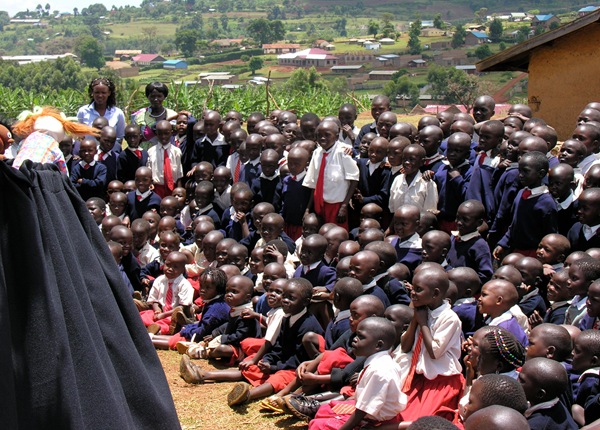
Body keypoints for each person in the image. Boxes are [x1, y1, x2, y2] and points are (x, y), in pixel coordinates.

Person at [308, 317, 406, 430]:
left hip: (376, 422)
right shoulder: (379, 362)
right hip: (368, 413)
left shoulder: (379, 371)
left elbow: (363, 410)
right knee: (325, 410)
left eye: (361, 337)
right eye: (356, 335)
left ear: (378, 345)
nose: (354, 339)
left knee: (319, 425)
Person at [398, 266, 463, 421]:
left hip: (440, 382)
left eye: (418, 290)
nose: (412, 293)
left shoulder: (449, 318)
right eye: (412, 288)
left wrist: (423, 323)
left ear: (435, 293)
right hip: (418, 378)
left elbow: (434, 352)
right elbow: (405, 347)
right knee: (396, 415)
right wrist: (415, 320)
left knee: (419, 421)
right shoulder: (421, 310)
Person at [494, 152, 558, 260]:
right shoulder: (521, 194)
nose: (520, 175)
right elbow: (514, 224)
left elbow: (551, 233)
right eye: (520, 171)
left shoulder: (547, 202)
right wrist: (503, 243)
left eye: (526, 171)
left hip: (534, 255)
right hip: (516, 250)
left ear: (541, 174)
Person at [303, 120, 359, 230]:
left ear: (337, 137)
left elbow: (354, 179)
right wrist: (308, 209)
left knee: (335, 235)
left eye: (327, 135)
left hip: (337, 206)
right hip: (319, 205)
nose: (322, 138)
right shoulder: (317, 153)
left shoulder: (343, 152)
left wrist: (344, 206)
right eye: (319, 135)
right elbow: (313, 183)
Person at [140, 251, 193, 335]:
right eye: (168, 265)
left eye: (175, 267)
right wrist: (157, 310)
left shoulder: (185, 285)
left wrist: (164, 315)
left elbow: (183, 307)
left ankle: (158, 330)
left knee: (169, 321)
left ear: (183, 269)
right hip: (160, 311)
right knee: (145, 315)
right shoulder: (159, 280)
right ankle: (150, 328)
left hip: (173, 314)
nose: (170, 269)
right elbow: (154, 299)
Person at [519, 357, 577, 430]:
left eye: (521, 381)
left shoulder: (536, 425)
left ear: (540, 394)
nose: (516, 381)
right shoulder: (555, 403)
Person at [447, 200, 493, 285]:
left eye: (465, 220)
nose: (459, 222)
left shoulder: (480, 246)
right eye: (457, 217)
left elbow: (485, 275)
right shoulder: (454, 237)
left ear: (479, 223)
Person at [434, 132, 473, 234]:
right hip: (440, 218)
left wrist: (457, 179)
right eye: (450, 149)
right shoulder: (443, 167)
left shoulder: (470, 172)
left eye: (458, 151)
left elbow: (467, 198)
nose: (452, 154)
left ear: (467, 154)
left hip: (457, 222)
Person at [388, 144, 438, 214]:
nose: (407, 162)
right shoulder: (397, 180)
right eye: (404, 159)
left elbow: (429, 212)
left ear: (422, 162)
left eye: (412, 159)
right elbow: (392, 208)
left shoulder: (428, 184)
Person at [478, 279, 528, 346]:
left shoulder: (503, 331)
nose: (479, 298)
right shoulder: (492, 320)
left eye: (484, 295)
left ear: (499, 300)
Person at [77, 77, 126, 144]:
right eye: (97, 92)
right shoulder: (83, 112)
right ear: (92, 93)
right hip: (90, 153)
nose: (100, 95)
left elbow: (120, 138)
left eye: (103, 92)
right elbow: (80, 137)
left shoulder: (118, 113)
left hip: (110, 153)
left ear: (109, 93)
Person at [132, 82, 177, 146]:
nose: (156, 99)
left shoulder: (172, 115)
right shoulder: (140, 116)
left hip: (168, 153)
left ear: (164, 96)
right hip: (145, 154)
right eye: (152, 96)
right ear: (148, 97)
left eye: (159, 96)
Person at [281, 146, 311, 241]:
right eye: (290, 163)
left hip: (300, 224)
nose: (292, 167)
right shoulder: (286, 180)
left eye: (297, 164)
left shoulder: (308, 182)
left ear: (306, 164)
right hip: (287, 223)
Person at [147, 120, 183, 198]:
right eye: (160, 134)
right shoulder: (151, 152)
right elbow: (148, 172)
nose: (163, 136)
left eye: (166, 133)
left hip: (172, 188)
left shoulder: (176, 151)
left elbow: (179, 174)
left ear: (171, 132)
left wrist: (179, 191)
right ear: (156, 134)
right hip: (156, 189)